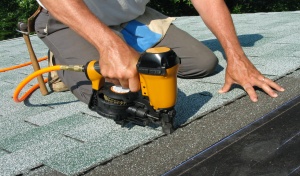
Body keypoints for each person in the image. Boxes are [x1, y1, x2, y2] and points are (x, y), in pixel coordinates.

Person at [34, 0, 284, 104]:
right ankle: (62, 59)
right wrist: (110, 46)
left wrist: (236, 57)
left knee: (204, 63)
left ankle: (124, 43)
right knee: (118, 96)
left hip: (130, 16)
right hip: (69, 18)